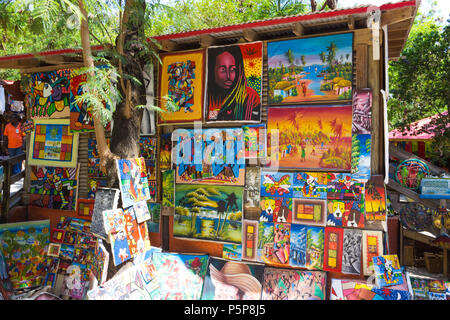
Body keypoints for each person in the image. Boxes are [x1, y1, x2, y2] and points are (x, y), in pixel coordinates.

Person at [207, 45, 260, 121]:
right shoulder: (208, 98)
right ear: (213, 70)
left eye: (232, 69)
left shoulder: (250, 97)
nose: (228, 76)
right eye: (223, 69)